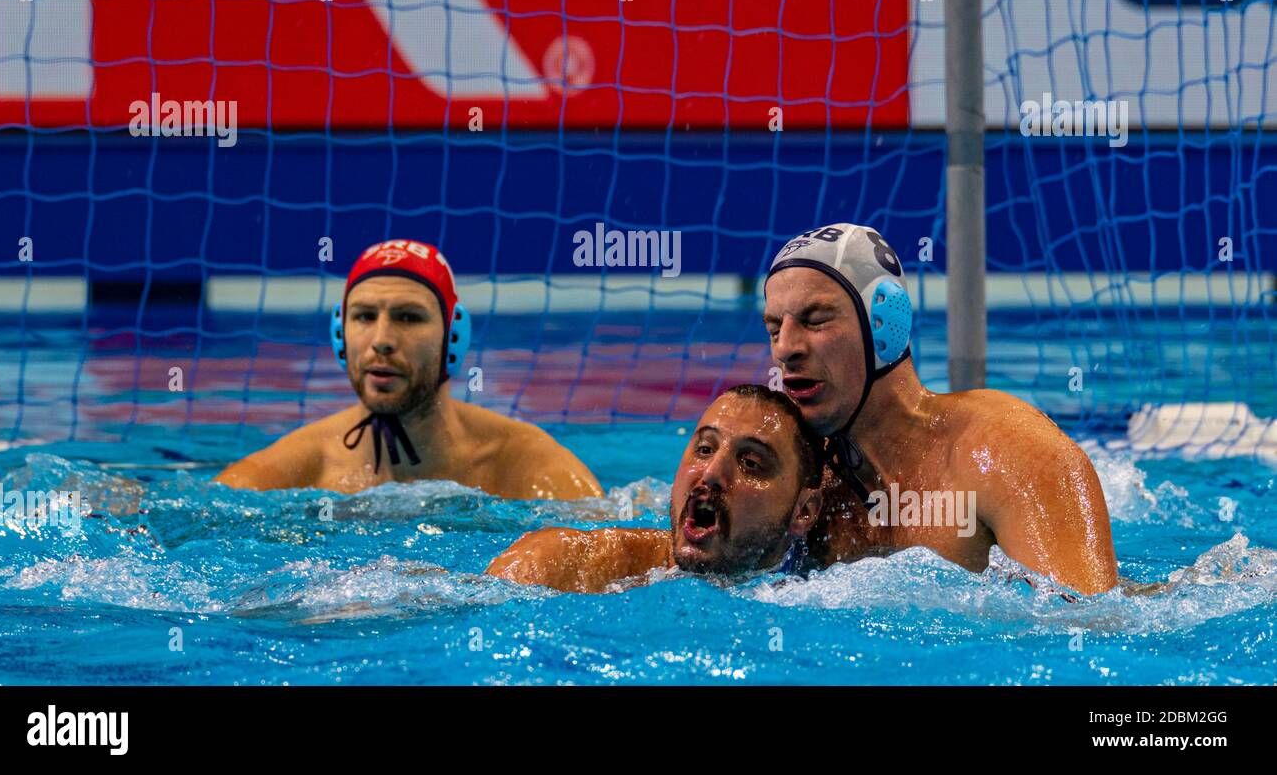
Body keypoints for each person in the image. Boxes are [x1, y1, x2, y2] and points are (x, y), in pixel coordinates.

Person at [762, 222, 1118, 595]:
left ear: (885, 323)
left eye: (815, 320)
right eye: (773, 328)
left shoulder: (1011, 452)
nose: (785, 348)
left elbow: (1087, 628)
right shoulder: (791, 472)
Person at [216, 239, 602, 500]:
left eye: (408, 317)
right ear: (340, 333)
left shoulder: (524, 463)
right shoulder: (295, 468)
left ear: (453, 335)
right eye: (364, 316)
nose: (382, 339)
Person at [486, 384, 824, 593]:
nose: (711, 473)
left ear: (804, 511)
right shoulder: (561, 565)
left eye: (750, 463)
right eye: (705, 449)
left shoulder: (830, 594)